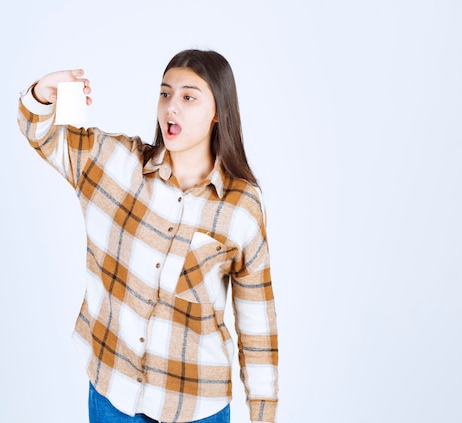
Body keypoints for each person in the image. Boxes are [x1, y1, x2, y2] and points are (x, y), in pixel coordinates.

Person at [17, 49, 278, 423]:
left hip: (197, 406)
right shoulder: (118, 166)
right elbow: (41, 133)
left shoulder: (241, 206)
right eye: (165, 93)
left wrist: (263, 413)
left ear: (218, 111)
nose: (172, 106)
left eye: (189, 97)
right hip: (114, 394)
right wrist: (43, 94)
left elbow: (257, 322)